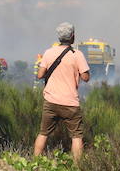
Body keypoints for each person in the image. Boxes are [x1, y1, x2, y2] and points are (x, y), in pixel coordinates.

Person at [34, 22, 90, 162]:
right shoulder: (77, 54)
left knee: (43, 133)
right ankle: (77, 168)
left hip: (51, 101)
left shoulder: (48, 52)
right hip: (70, 102)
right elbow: (86, 77)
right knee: (76, 136)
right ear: (73, 37)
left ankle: (35, 164)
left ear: (59, 37)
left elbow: (40, 75)